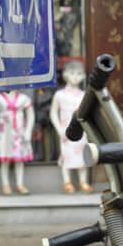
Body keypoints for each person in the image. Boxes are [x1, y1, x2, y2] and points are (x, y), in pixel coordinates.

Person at [49, 60, 93, 193]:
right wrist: (58, 128)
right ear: (65, 74)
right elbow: (53, 113)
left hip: (81, 131)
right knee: (66, 155)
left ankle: (83, 181)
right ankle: (67, 181)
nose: (75, 77)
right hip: (65, 130)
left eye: (79, 74)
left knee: (83, 154)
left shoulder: (84, 95)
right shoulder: (60, 94)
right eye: (72, 73)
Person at [0, 90, 34, 195]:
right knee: (4, 160)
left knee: (19, 160)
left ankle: (20, 184)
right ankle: (5, 185)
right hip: (4, 131)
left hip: (19, 131)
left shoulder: (24, 98)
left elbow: (30, 115)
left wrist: (28, 130)